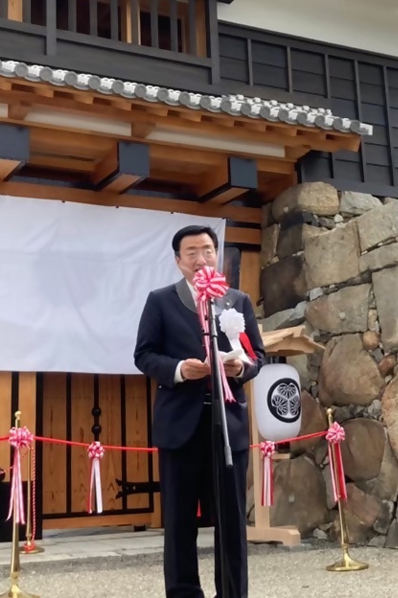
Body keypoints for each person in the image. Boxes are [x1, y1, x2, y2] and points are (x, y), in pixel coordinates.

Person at [134, 225, 265, 598]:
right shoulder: (161, 301)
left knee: (231, 521)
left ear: (217, 256)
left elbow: (257, 355)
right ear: (178, 261)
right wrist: (178, 370)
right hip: (181, 424)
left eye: (207, 250)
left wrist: (242, 369)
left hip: (228, 423)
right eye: (191, 252)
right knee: (178, 521)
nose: (200, 258)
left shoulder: (236, 301)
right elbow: (144, 355)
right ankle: (184, 592)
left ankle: (232, 593)